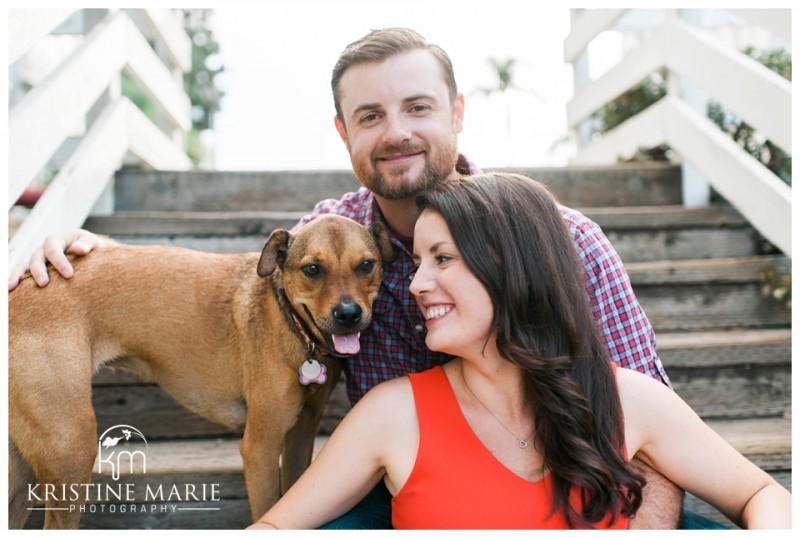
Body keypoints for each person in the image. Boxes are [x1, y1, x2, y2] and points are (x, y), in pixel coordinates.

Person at [10, 27, 707, 528]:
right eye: (370, 116)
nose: (395, 132)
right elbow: (278, 265)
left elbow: (658, 436)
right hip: (403, 488)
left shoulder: (568, 243)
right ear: (343, 134)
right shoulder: (334, 237)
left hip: (572, 490)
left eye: (418, 107)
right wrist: (93, 246)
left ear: (458, 112)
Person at [246, 172, 791, 530]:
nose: (413, 285)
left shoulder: (630, 400)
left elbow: (765, 495)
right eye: (416, 262)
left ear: (511, 268)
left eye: (443, 259)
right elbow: (272, 527)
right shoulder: (391, 414)